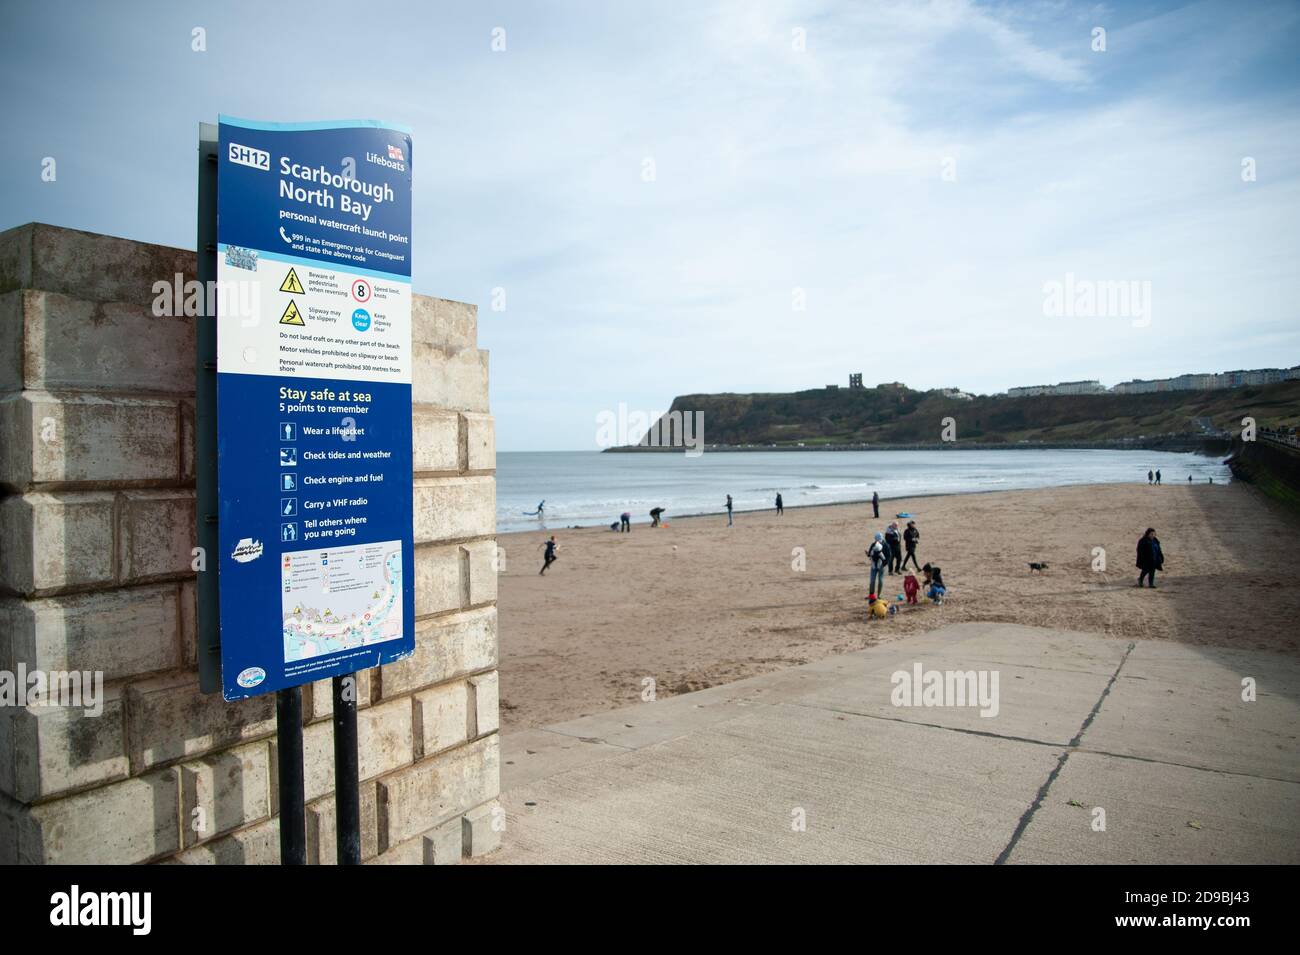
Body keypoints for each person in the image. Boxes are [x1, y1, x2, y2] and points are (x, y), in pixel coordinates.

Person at [867, 532, 888, 598]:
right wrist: (868, 554)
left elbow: (888, 555)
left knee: (879, 580)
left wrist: (884, 564)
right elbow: (870, 554)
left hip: (880, 565)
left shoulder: (885, 545)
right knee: (872, 580)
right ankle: (872, 595)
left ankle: (878, 595)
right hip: (874, 565)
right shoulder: (873, 544)